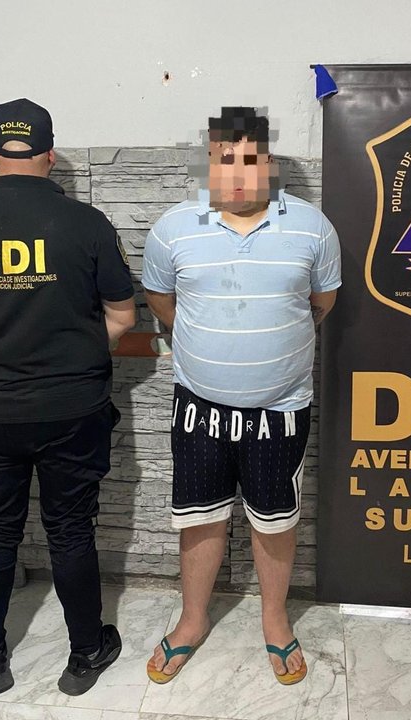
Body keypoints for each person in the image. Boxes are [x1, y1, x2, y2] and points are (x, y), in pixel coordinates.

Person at [0, 98, 136, 696]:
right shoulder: (88, 224)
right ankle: (85, 653)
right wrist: (73, 352)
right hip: (71, 406)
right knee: (70, 529)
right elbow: (123, 315)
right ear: (50, 154)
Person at [141, 106, 341, 685]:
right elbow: (160, 299)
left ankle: (274, 619)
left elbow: (322, 302)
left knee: (275, 520)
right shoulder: (174, 227)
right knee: (200, 518)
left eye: (248, 160)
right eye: (222, 160)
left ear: (269, 162)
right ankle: (192, 620)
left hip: (281, 410)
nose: (234, 172)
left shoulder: (312, 227)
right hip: (198, 407)